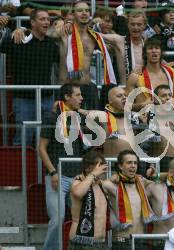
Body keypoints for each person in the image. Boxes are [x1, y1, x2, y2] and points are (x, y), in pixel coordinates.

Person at [39, 83, 88, 250]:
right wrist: (53, 172)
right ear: (67, 97)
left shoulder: (78, 119)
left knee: (84, 217)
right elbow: (41, 148)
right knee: (58, 219)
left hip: (76, 178)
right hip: (57, 176)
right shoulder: (51, 118)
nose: (82, 98)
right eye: (78, 95)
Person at [0, 8, 58, 145]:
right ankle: (20, 166)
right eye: (42, 19)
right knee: (23, 139)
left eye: (48, 19)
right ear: (32, 22)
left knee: (47, 139)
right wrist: (10, 29)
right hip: (23, 99)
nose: (46, 22)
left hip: (47, 98)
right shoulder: (18, 39)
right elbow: (1, 46)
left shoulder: (51, 44)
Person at [101, 150, 156, 250]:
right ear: (120, 166)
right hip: (121, 241)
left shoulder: (141, 182)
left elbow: (158, 185)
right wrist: (112, 178)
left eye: (135, 163)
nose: (133, 166)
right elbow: (99, 186)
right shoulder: (113, 185)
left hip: (141, 241)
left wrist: (155, 176)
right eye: (129, 162)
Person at [68, 150, 108, 250]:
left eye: (102, 164)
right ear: (87, 167)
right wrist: (93, 174)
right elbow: (78, 193)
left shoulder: (101, 185)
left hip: (101, 243)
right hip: (82, 243)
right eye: (98, 165)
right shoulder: (77, 182)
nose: (101, 168)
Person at [126, 37, 174, 110]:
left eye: (157, 48)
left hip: (171, 117)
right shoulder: (135, 76)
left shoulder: (171, 72)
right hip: (144, 118)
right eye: (150, 48)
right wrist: (141, 105)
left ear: (161, 52)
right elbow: (125, 106)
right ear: (145, 53)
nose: (154, 51)